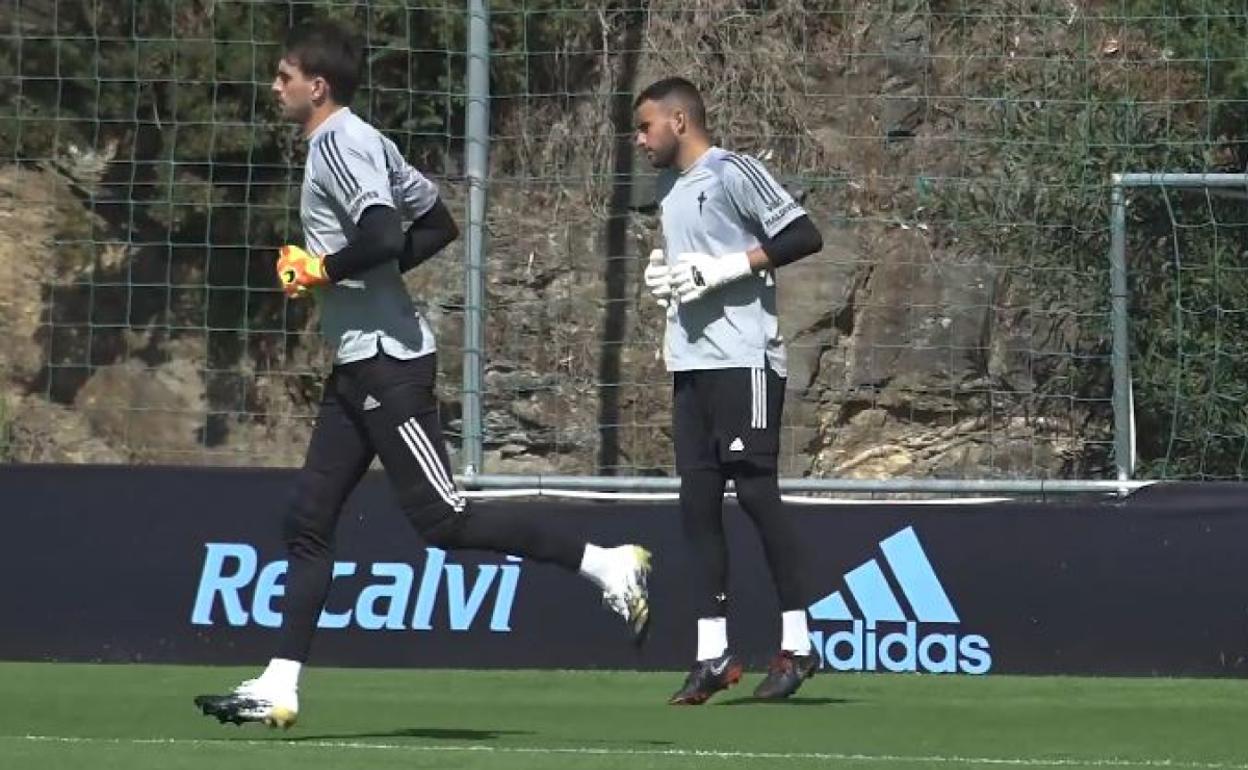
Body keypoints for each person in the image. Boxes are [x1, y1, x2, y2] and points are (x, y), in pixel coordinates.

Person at [195, 20, 651, 729]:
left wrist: (323, 269)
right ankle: (279, 685)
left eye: (283, 76)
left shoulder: (339, 144)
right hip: (359, 364)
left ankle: (606, 562)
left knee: (444, 521)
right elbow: (434, 225)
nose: (274, 86)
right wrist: (342, 282)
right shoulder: (364, 141)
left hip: (387, 363)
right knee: (308, 522)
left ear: (317, 87)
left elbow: (380, 234)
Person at [634, 77, 824, 704]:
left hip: (743, 361)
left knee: (758, 496)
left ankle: (798, 644)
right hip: (690, 365)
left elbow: (802, 235)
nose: (640, 141)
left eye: (646, 127)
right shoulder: (668, 189)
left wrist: (725, 268)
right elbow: (690, 268)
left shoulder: (732, 172)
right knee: (697, 507)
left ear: (680, 121)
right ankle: (712, 655)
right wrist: (668, 277)